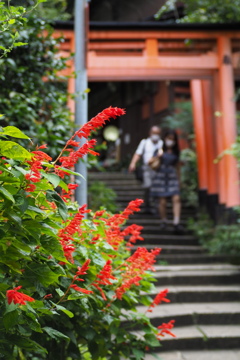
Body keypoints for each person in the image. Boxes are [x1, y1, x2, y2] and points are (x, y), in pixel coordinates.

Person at [150, 130, 182, 232]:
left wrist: (179, 180)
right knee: (162, 201)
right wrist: (158, 156)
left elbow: (177, 167)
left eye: (172, 139)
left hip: (172, 176)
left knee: (176, 198)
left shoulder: (176, 152)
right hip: (161, 176)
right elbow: (149, 162)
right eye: (169, 138)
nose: (170, 141)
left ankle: (176, 222)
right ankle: (164, 220)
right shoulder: (159, 150)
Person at [128, 126, 163, 213]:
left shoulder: (161, 143)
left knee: (157, 187)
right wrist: (133, 163)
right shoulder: (145, 142)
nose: (155, 135)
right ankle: (147, 205)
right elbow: (138, 153)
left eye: (157, 133)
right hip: (147, 168)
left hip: (158, 168)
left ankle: (156, 207)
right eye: (154, 133)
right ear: (150, 133)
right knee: (148, 186)